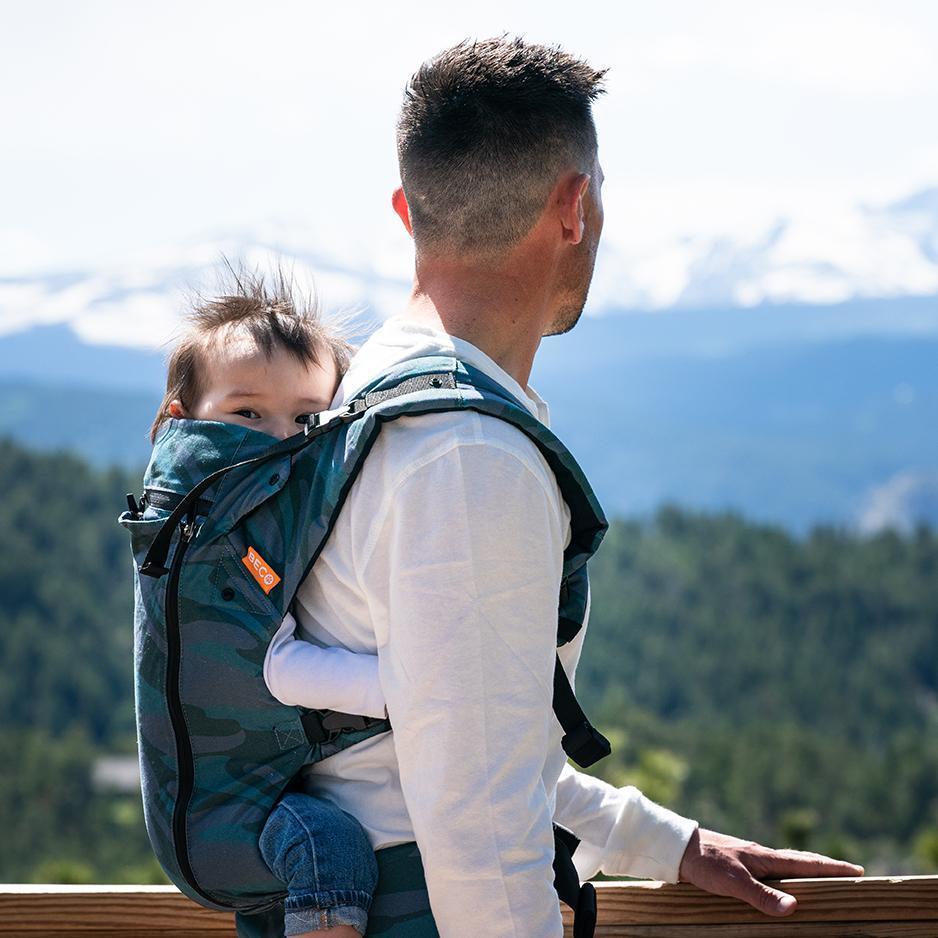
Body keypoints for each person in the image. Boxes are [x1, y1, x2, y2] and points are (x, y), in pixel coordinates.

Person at [290, 36, 865, 937]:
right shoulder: (466, 449)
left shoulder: (372, 392)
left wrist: (662, 842)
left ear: (409, 213)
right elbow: (478, 820)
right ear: (575, 206)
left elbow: (449, 730)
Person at [150, 270, 388, 938]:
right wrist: (420, 687)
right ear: (182, 421)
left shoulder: (230, 508)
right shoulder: (223, 529)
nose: (283, 440)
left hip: (243, 792)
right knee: (329, 848)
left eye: (307, 419)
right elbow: (279, 668)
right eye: (248, 414)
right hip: (228, 817)